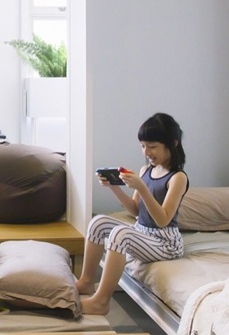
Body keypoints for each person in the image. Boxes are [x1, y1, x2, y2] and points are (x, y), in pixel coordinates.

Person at [76, 112, 189, 315]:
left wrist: (142, 187)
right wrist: (114, 187)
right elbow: (135, 209)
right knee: (98, 222)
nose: (147, 152)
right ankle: (86, 282)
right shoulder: (146, 170)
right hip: (143, 232)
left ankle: (101, 301)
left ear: (173, 143)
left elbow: (163, 220)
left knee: (120, 234)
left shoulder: (177, 178)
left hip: (165, 242)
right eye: (143, 146)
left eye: (152, 146)